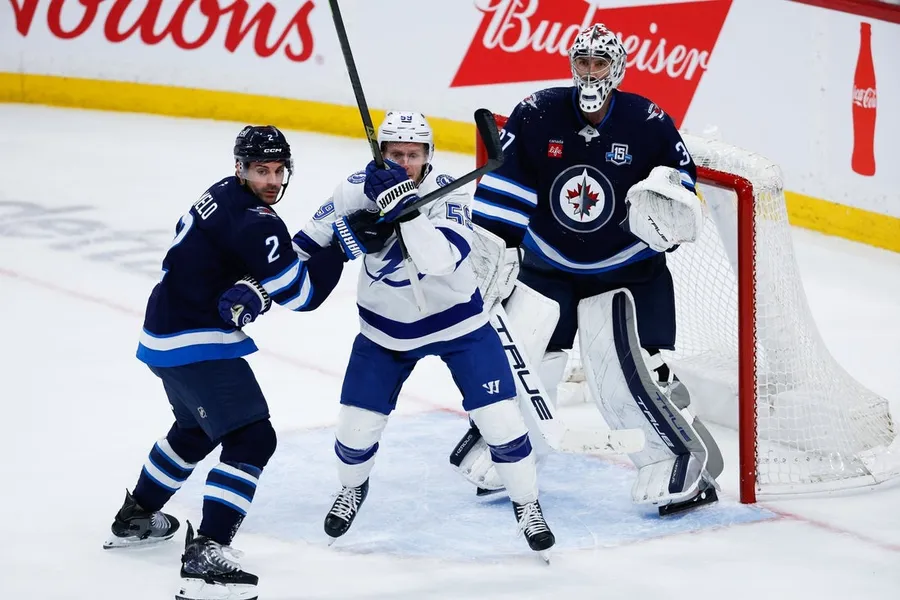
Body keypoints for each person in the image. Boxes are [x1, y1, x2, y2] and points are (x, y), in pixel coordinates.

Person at [449, 24, 724, 516]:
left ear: (617, 69)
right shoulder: (538, 112)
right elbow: (507, 186)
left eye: (600, 63)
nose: (591, 72)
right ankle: (510, 450)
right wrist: (493, 255)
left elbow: (681, 192)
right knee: (524, 355)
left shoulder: (648, 121)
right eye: (583, 62)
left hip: (626, 270)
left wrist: (666, 208)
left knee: (623, 371)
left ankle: (678, 463)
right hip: (548, 264)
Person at [291, 111, 555, 556]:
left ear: (429, 156)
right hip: (385, 332)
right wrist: (261, 283)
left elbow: (440, 259)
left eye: (414, 155)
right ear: (381, 153)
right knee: (354, 432)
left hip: (460, 324)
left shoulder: (449, 192)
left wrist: (403, 209)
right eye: (396, 154)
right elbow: (306, 242)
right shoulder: (354, 189)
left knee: (501, 422)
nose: (406, 163)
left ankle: (527, 504)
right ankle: (352, 488)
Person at [104, 125, 345, 600]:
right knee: (253, 438)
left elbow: (254, 257)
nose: (271, 180)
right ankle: (206, 557)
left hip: (162, 329)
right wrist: (340, 249)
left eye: (278, 170)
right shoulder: (259, 222)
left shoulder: (222, 192)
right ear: (241, 168)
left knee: (194, 430)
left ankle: (137, 516)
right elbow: (301, 294)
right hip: (196, 339)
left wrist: (257, 283)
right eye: (261, 170)